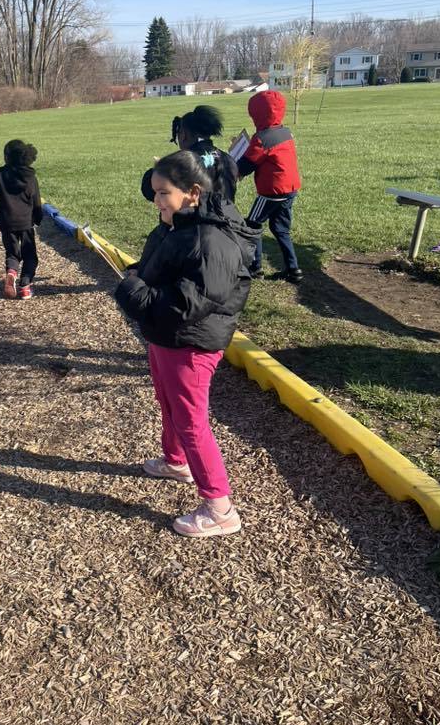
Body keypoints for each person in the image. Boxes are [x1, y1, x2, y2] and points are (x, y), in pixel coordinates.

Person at [115, 150, 260, 538]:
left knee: (192, 421)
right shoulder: (177, 224)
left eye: (163, 193)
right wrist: (137, 274)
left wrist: (134, 293)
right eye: (156, 193)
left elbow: (188, 303)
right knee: (168, 402)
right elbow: (158, 268)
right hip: (164, 335)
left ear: (193, 192)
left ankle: (220, 508)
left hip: (190, 342)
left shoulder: (212, 240)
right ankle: (176, 460)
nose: (157, 200)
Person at [238, 90, 303, 283]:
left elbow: (245, 166)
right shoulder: (285, 132)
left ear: (257, 114)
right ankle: (293, 269)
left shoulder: (262, 139)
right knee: (281, 229)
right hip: (290, 189)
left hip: (271, 192)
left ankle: (255, 268)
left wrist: (236, 152)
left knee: (252, 225)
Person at [141, 105, 239, 204]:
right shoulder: (228, 159)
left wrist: (161, 168)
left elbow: (149, 190)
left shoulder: (185, 162)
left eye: (178, 133)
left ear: (183, 134)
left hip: (196, 218)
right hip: (228, 217)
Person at [0, 140, 43, 300]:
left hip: (6, 222)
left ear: (7, 157)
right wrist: (38, 218)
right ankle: (25, 286)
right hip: (25, 222)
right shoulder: (30, 176)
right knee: (30, 255)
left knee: (12, 253)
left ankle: (11, 273)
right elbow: (36, 200)